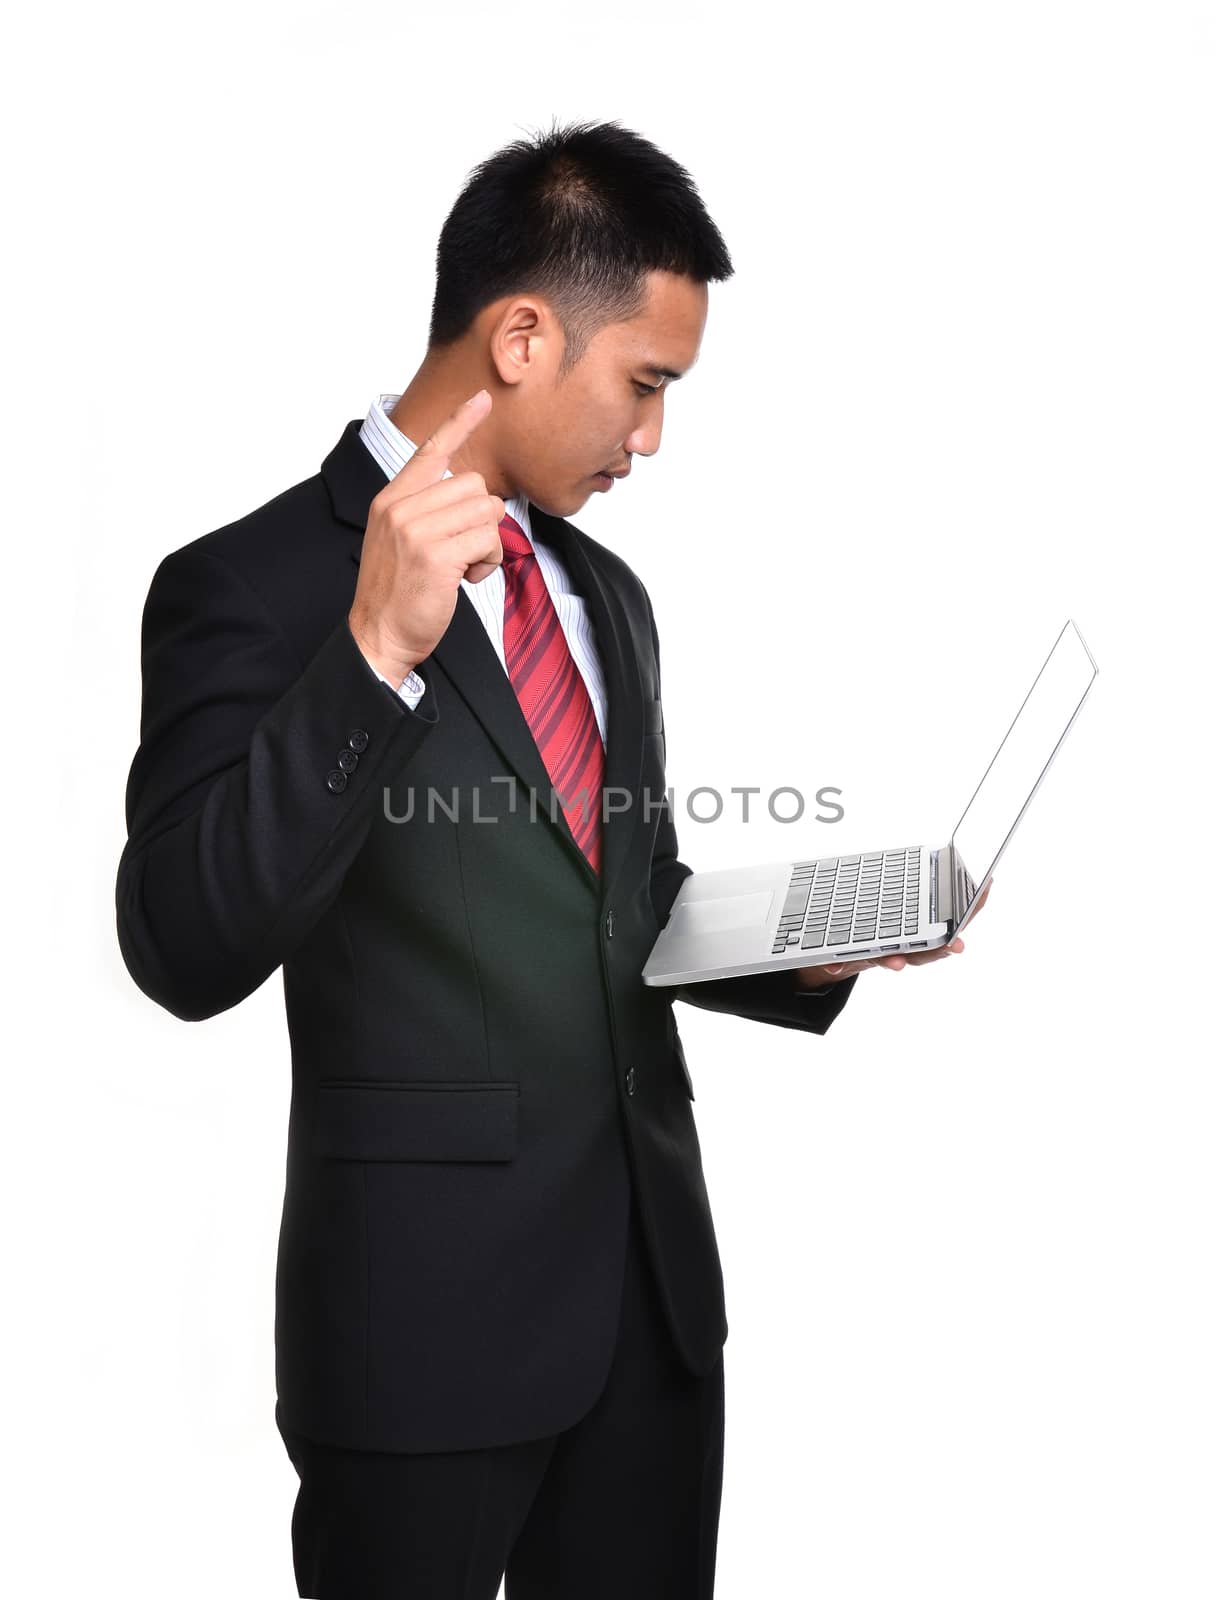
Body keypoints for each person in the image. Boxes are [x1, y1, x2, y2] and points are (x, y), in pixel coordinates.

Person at [115, 118, 970, 1599]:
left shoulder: (608, 595)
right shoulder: (248, 588)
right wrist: (374, 651)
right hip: (420, 1339)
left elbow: (618, 900)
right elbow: (181, 947)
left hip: (650, 1322)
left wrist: (806, 942)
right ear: (521, 336)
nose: (651, 440)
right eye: (645, 385)